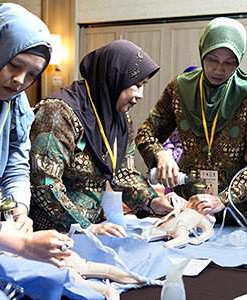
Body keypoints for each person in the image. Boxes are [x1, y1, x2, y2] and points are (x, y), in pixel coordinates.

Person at [0, 1, 72, 267]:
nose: (20, 80)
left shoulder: (16, 102)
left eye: (32, 74)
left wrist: (19, 207)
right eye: (14, 65)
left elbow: (17, 162)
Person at [29, 40, 175, 234]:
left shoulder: (120, 119)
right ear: (114, 78)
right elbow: (45, 182)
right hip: (51, 232)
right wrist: (85, 226)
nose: (140, 95)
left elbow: (124, 173)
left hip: (96, 227)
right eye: (136, 85)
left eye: (143, 85)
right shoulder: (58, 112)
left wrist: (153, 201)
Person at [136, 17, 247, 224]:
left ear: (240, 59)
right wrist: (160, 154)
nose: (219, 69)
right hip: (189, 201)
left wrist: (223, 199)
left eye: (229, 62)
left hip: (236, 208)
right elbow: (146, 133)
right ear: (202, 53)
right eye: (212, 59)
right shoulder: (179, 89)